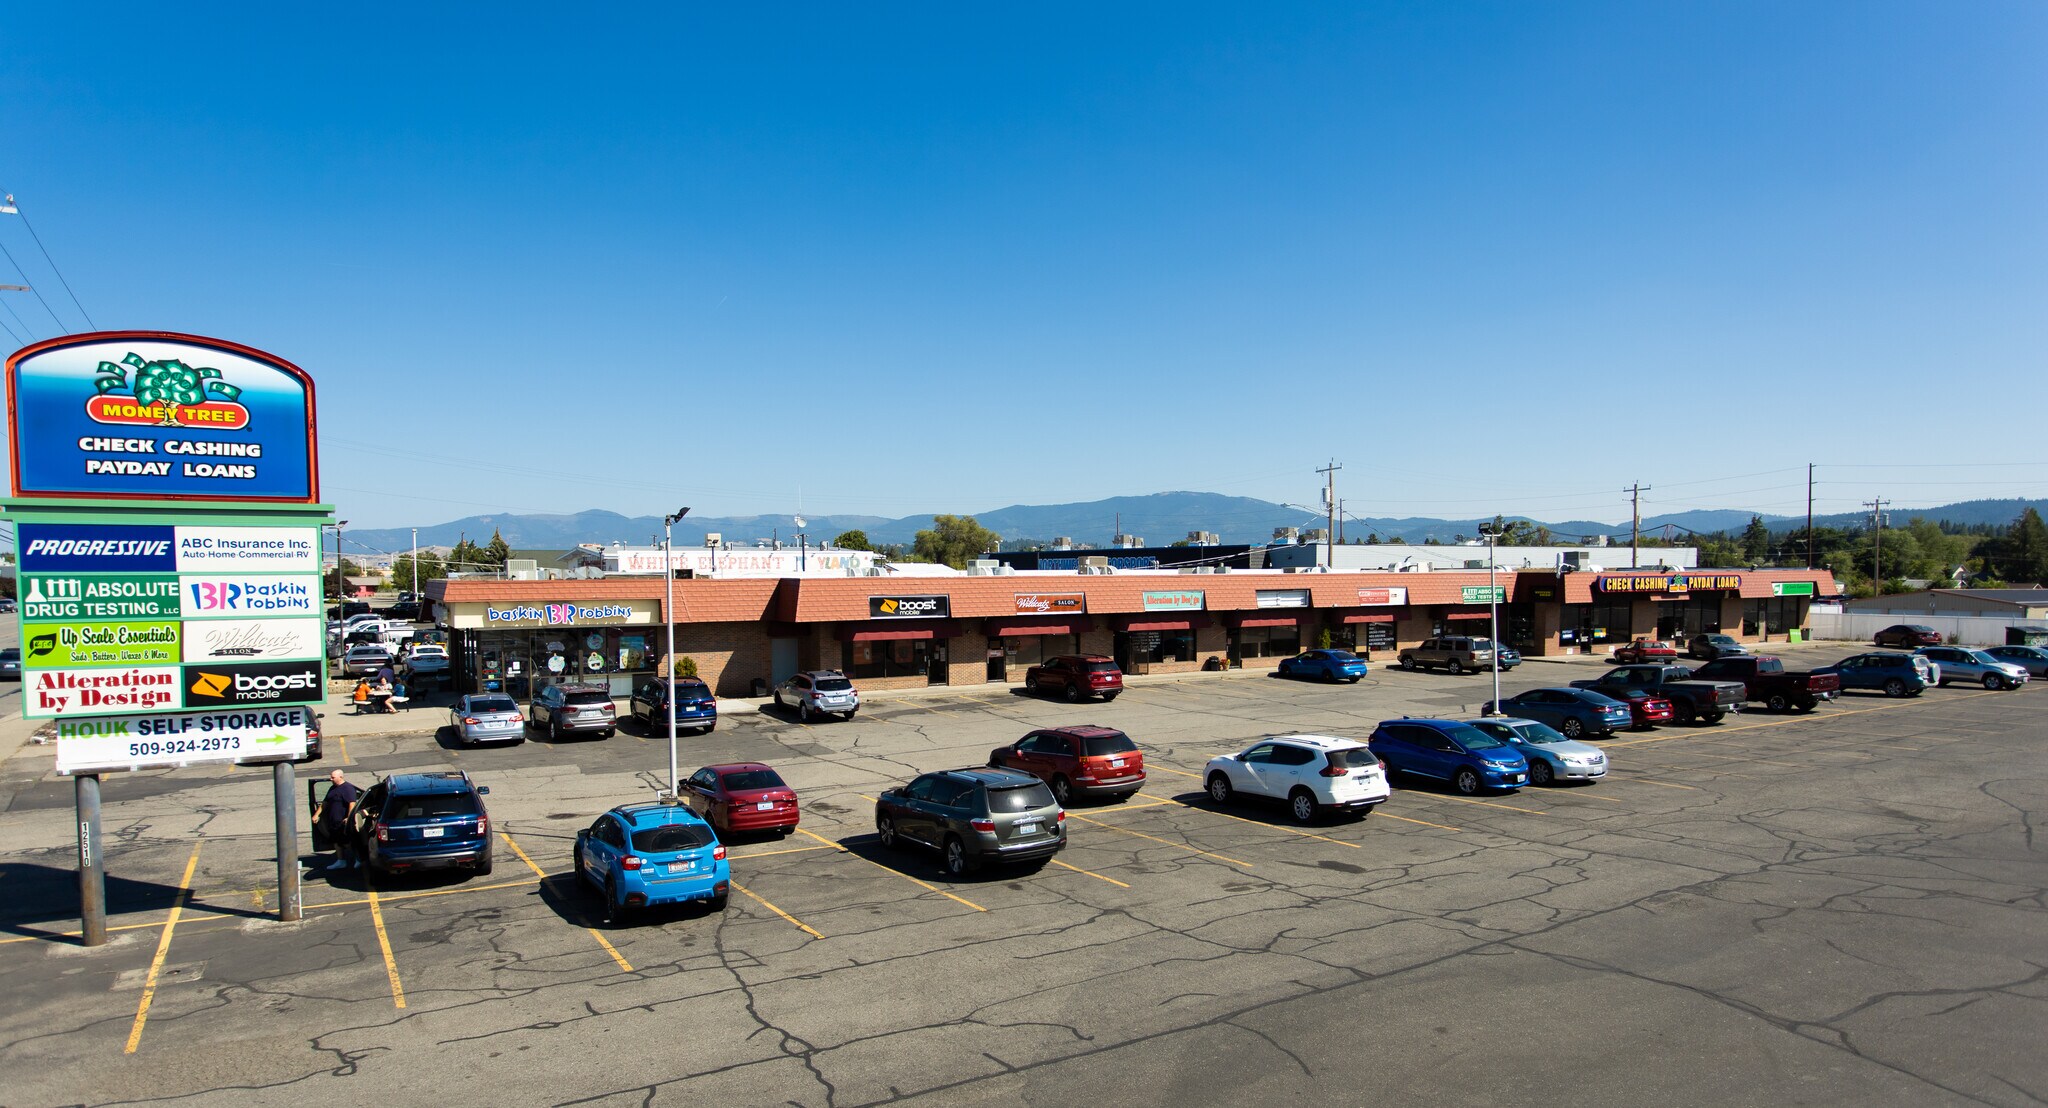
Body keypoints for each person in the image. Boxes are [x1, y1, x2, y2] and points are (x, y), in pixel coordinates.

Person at [320, 770, 361, 871]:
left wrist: (349, 818)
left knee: (348, 842)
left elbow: (352, 803)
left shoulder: (348, 788)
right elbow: (325, 802)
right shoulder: (332, 788)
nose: (331, 779)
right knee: (336, 842)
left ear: (341, 777)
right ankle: (341, 861)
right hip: (333, 822)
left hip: (343, 822)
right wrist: (316, 815)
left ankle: (358, 859)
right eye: (331, 777)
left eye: (333, 777)